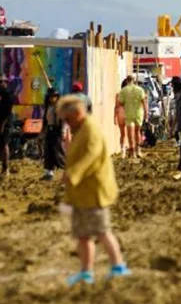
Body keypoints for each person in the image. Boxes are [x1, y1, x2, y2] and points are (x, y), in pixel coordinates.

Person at [57, 95, 130, 286]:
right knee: (83, 234)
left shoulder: (91, 130)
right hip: (81, 193)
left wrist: (73, 174)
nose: (66, 123)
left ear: (78, 113)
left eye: (67, 119)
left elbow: (91, 156)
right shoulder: (80, 129)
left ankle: (118, 266)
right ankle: (86, 271)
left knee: (102, 231)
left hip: (95, 191)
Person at [118, 75, 148, 158]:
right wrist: (146, 113)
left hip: (128, 113)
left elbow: (120, 103)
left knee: (130, 133)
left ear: (127, 81)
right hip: (138, 113)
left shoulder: (123, 90)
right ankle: (138, 150)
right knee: (137, 131)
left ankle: (132, 152)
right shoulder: (140, 90)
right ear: (134, 81)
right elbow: (144, 102)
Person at [0, 75, 15, 177]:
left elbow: (8, 111)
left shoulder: (8, 94)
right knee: (1, 145)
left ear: (5, 82)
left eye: (1, 81)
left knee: (5, 144)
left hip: (5, 124)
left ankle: (6, 168)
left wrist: (2, 124)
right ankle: (3, 168)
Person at [42, 88, 66, 180]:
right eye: (50, 96)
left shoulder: (59, 108)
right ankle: (49, 173)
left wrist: (63, 131)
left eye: (54, 96)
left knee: (58, 151)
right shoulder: (48, 107)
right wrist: (42, 132)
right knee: (48, 151)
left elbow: (63, 121)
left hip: (57, 131)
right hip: (49, 129)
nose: (52, 98)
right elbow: (45, 120)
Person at [114, 78, 128, 158]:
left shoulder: (118, 94)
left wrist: (115, 117)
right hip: (128, 114)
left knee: (123, 133)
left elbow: (116, 107)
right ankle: (128, 149)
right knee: (129, 133)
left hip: (120, 114)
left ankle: (123, 150)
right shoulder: (129, 94)